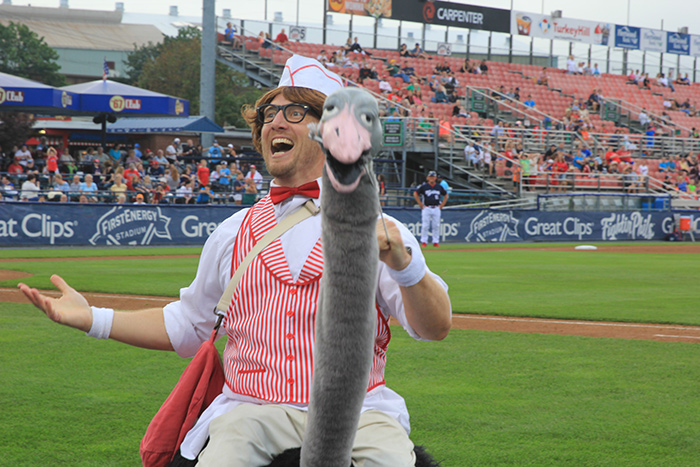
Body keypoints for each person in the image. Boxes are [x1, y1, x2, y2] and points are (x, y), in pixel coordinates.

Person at [18, 55, 451, 466]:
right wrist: (92, 318)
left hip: (360, 412)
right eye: (269, 114)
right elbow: (188, 325)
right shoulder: (232, 231)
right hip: (251, 410)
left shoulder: (380, 229)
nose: (276, 121)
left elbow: (435, 327)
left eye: (296, 112)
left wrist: (405, 265)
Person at [413, 170, 449, 247]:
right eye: (430, 177)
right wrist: (420, 204)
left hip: (436, 207)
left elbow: (446, 195)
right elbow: (415, 193)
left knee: (436, 225)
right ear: (427, 178)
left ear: (435, 178)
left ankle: (435, 241)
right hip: (427, 207)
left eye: (433, 177)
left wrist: (442, 204)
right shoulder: (424, 187)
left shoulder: (439, 187)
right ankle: (424, 241)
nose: (432, 178)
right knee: (425, 225)